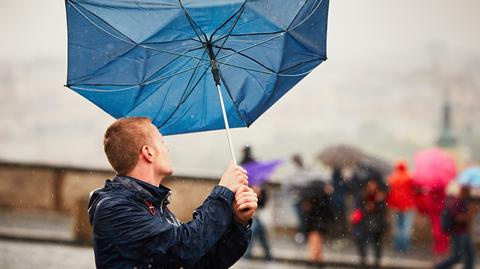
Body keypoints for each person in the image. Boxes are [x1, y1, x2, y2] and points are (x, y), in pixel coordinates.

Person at [88, 117, 258, 269]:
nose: (167, 148)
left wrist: (238, 222)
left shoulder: (152, 204)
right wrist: (224, 191)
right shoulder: (115, 209)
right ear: (148, 152)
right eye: (162, 142)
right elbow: (183, 248)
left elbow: (202, 261)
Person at [240, 145, 273, 260]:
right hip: (257, 207)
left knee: (253, 231)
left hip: (254, 207)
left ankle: (248, 254)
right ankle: (268, 255)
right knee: (259, 232)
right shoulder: (256, 168)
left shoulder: (243, 166)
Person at [435, 186, 476, 269]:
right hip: (459, 233)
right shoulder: (458, 202)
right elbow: (457, 217)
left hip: (464, 233)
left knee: (470, 256)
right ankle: (439, 267)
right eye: (467, 190)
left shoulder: (464, 202)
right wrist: (469, 215)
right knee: (457, 257)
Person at [352, 178, 388, 268]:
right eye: (370, 184)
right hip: (364, 223)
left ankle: (377, 261)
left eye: (373, 184)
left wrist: (376, 205)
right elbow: (358, 208)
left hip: (377, 223)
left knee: (377, 242)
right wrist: (365, 209)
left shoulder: (380, 196)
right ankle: (363, 260)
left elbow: (383, 211)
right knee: (361, 241)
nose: (372, 186)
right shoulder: (362, 195)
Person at [300, 180, 334, 262]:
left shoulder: (322, 197)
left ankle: (316, 256)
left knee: (318, 238)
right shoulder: (318, 196)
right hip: (316, 221)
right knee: (315, 237)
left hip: (318, 221)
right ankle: (315, 256)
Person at [387, 161, 416, 253]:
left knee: (398, 227)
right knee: (406, 227)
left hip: (396, 206)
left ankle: (397, 245)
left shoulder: (392, 178)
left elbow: (389, 193)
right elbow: (415, 189)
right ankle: (405, 246)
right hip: (408, 206)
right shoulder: (409, 177)